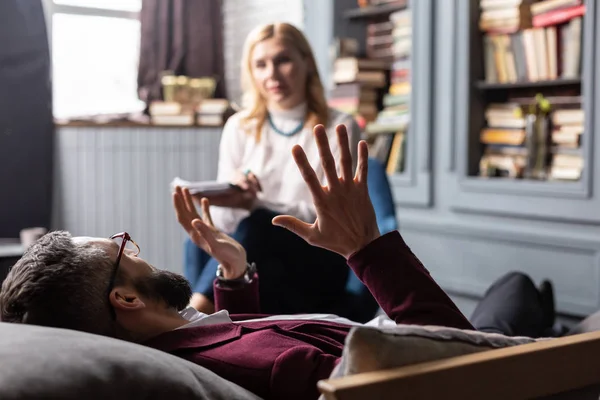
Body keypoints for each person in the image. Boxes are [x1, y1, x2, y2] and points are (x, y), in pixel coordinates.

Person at [1, 124, 474, 399]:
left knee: (513, 293)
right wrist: (367, 247)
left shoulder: (181, 342)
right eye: (120, 246)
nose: (134, 246)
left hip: (378, 327)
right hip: (494, 362)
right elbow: (460, 364)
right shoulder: (267, 366)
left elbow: (232, 335)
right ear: (124, 297)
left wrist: (235, 273)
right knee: (512, 293)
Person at [182, 22, 362, 316]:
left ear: (306, 62)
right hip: (258, 258)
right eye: (261, 64)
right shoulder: (239, 126)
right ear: (250, 72)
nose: (272, 74)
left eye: (283, 60)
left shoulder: (338, 127)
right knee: (204, 236)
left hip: (317, 260)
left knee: (259, 224)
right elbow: (228, 225)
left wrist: (256, 204)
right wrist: (230, 199)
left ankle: (193, 318)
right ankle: (206, 322)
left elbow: (330, 220)